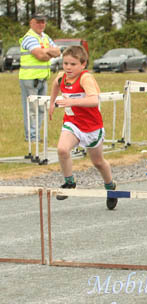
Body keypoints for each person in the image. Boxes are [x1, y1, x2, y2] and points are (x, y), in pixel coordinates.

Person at [48, 46, 118, 209]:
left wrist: (71, 101)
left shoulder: (86, 79)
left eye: (72, 64)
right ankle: (69, 182)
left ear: (83, 64)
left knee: (98, 162)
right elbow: (55, 85)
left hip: (91, 127)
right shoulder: (61, 77)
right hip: (72, 123)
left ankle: (110, 186)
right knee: (62, 150)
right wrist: (52, 103)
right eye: (65, 64)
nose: (68, 68)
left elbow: (94, 100)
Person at [19, 13, 61, 141]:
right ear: (31, 23)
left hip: (43, 78)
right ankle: (31, 137)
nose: (41, 24)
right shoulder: (29, 37)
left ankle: (36, 135)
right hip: (30, 79)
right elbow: (40, 56)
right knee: (31, 109)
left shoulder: (45, 37)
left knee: (42, 108)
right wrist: (49, 52)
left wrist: (46, 51)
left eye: (43, 22)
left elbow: (58, 52)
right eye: (38, 22)